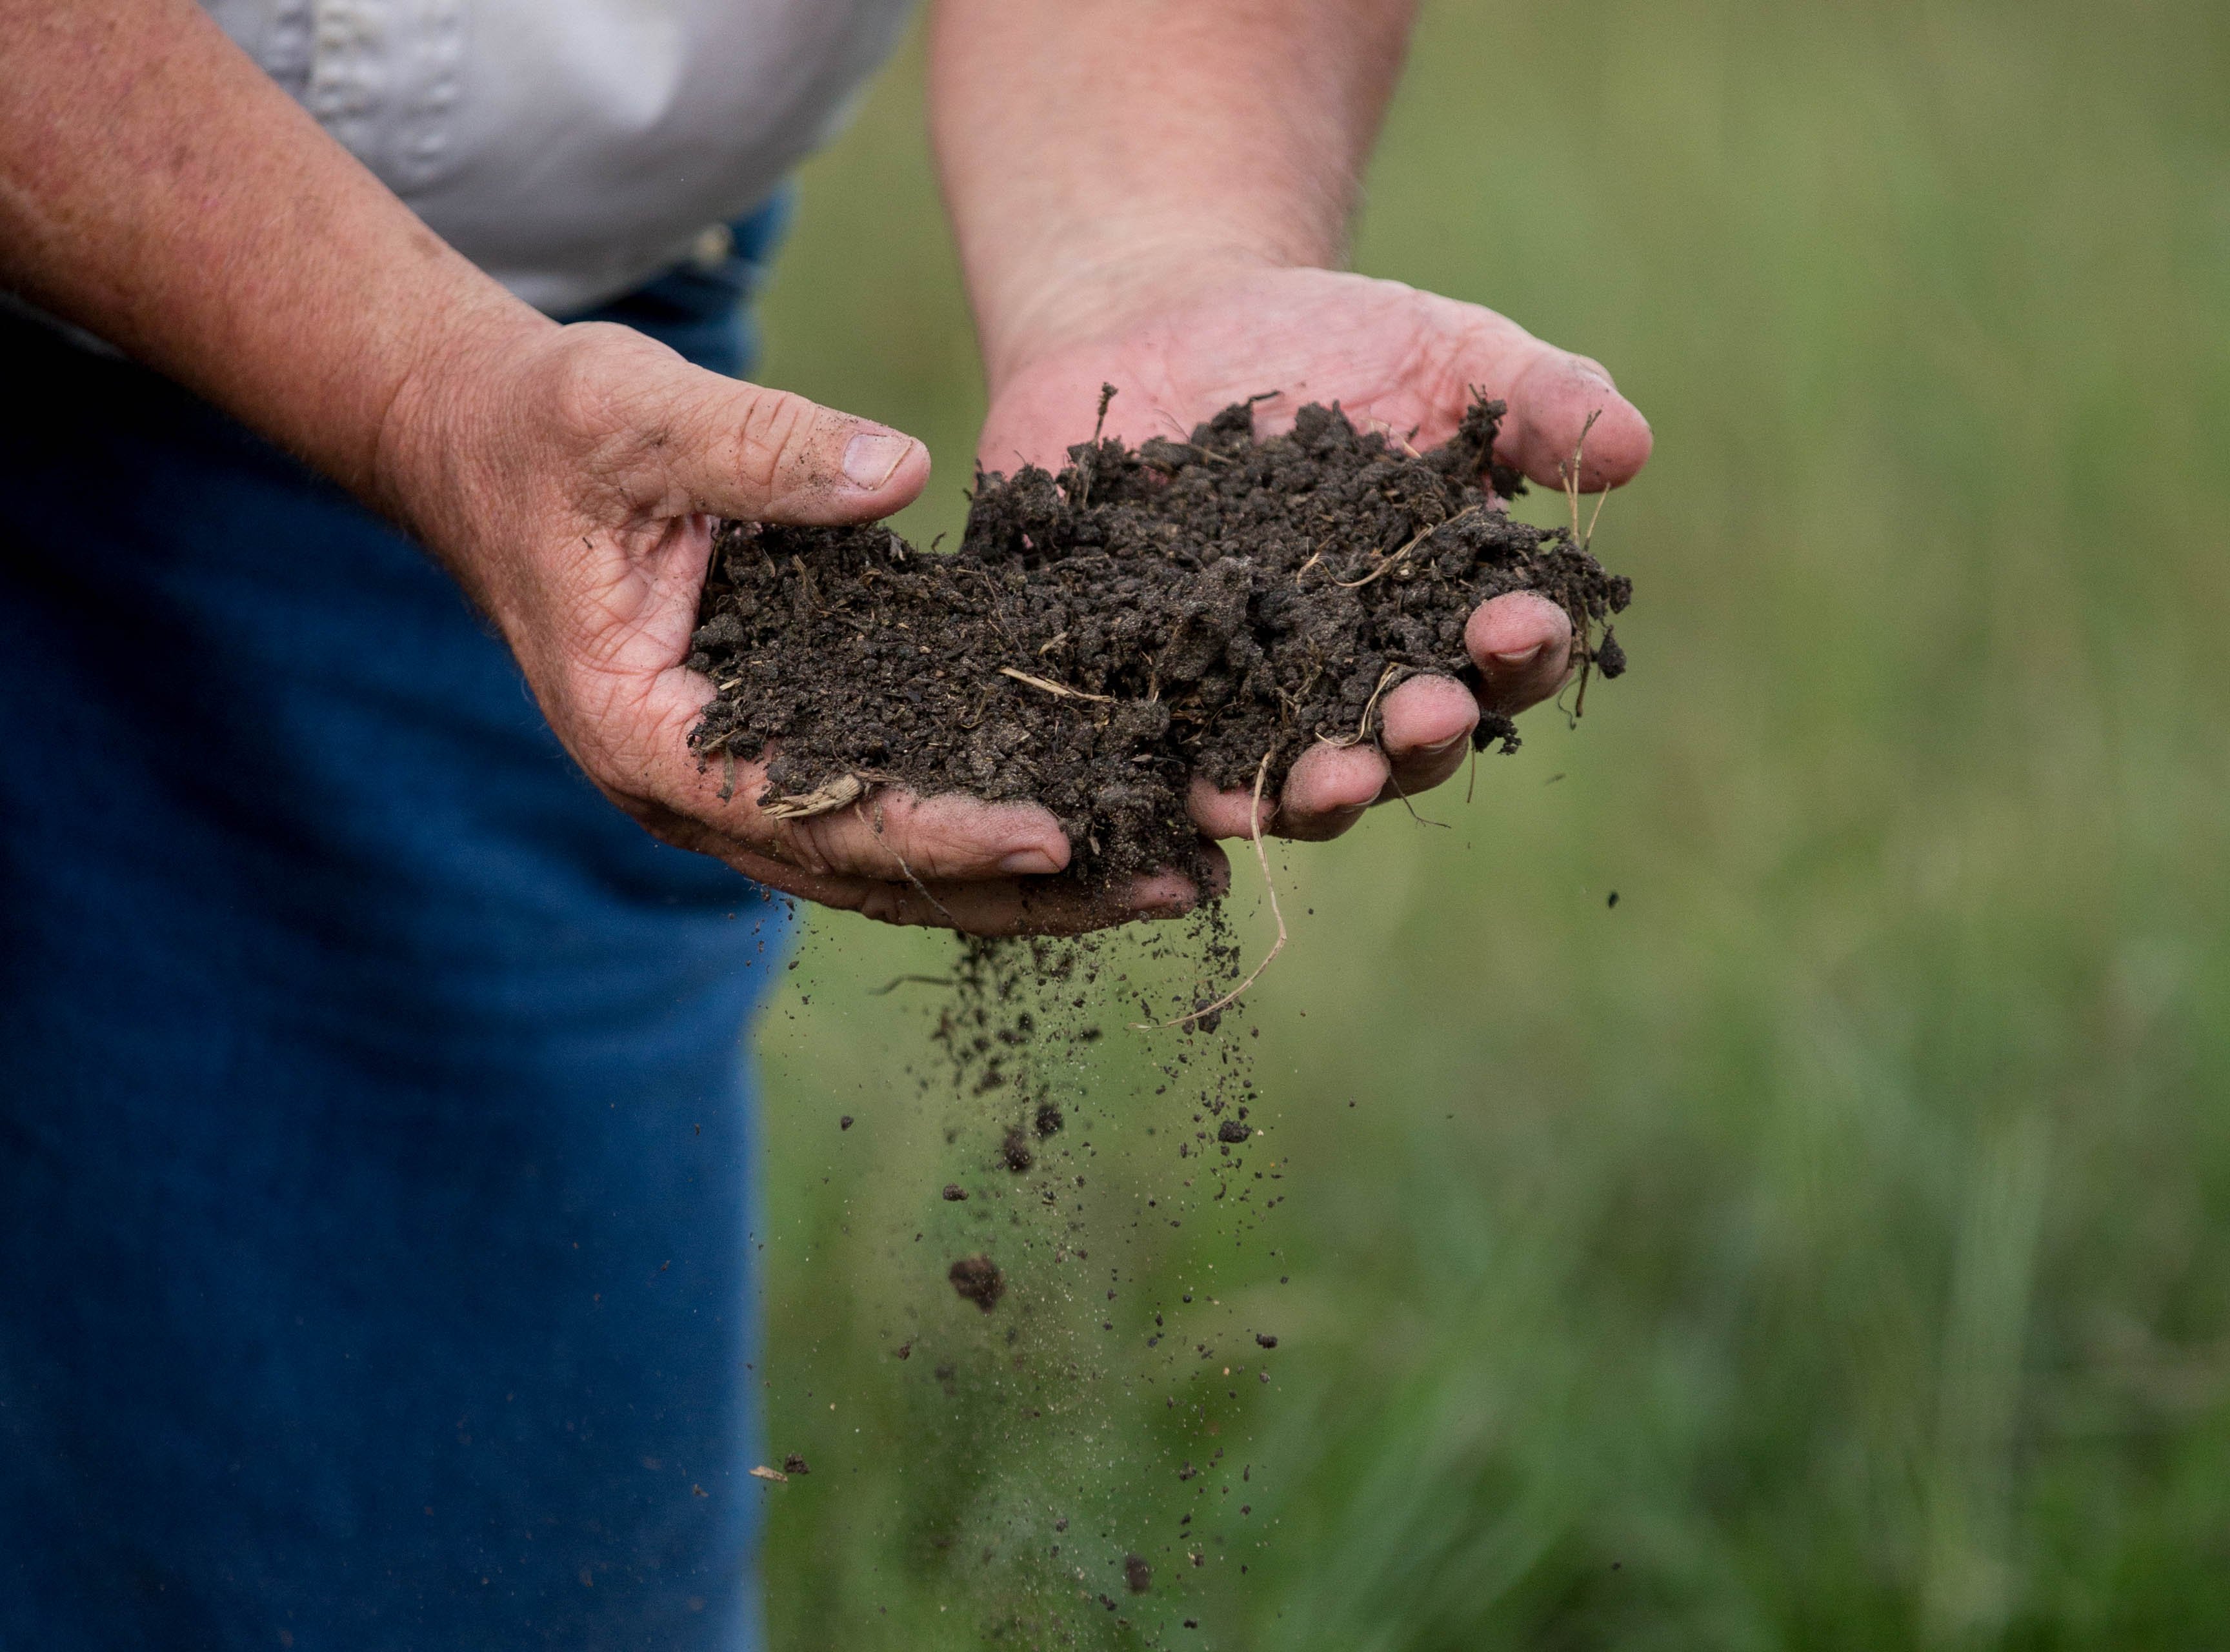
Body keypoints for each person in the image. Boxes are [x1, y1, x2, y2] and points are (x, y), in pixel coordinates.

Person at [0, 1, 1650, 1643]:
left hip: (525, 369)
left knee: (435, 1558)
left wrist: (1156, 247)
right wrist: (431, 389)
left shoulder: (619, 522)